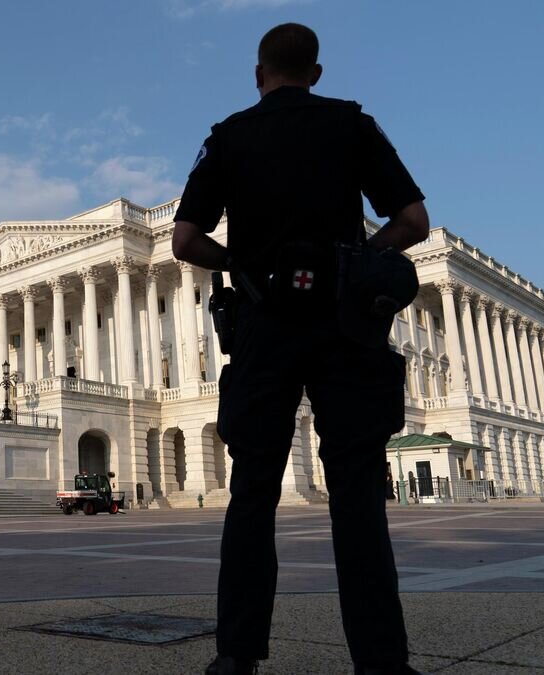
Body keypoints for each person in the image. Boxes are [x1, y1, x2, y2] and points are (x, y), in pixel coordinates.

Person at [171, 23, 429, 675]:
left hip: (263, 324)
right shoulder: (350, 125)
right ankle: (381, 661)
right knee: (357, 494)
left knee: (252, 491)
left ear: (259, 74)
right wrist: (356, 258)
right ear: (316, 72)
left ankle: (236, 654)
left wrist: (242, 264)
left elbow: (184, 240)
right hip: (343, 324)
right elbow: (413, 222)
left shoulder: (229, 137)